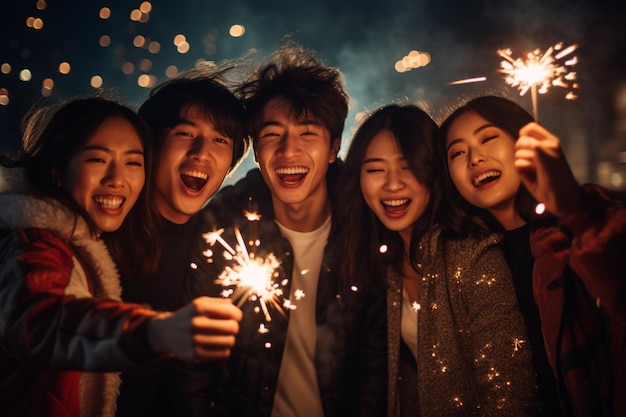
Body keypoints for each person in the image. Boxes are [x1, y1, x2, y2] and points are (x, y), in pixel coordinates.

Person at [0, 96, 243, 417]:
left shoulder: (214, 239)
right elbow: (42, 316)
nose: (116, 178)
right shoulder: (34, 242)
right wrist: (154, 332)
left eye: (132, 162)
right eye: (97, 160)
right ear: (58, 171)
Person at [183, 44, 387, 417]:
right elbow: (197, 368)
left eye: (307, 134)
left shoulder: (367, 226)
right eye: (272, 135)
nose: (288, 150)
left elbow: (374, 364)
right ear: (257, 153)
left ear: (333, 148)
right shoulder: (223, 228)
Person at [333, 103, 540, 416]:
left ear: (434, 171)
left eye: (407, 167)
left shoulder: (471, 253)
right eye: (375, 170)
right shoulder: (385, 261)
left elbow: (512, 392)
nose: (392, 185)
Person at [438, 94, 626, 416]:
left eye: (488, 138)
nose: (474, 158)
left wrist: (574, 206)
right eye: (457, 152)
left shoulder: (580, 229)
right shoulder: (467, 261)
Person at [116, 68, 251, 417]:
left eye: (220, 140)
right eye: (185, 133)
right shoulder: (100, 230)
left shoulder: (218, 251)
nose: (201, 152)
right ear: (151, 141)